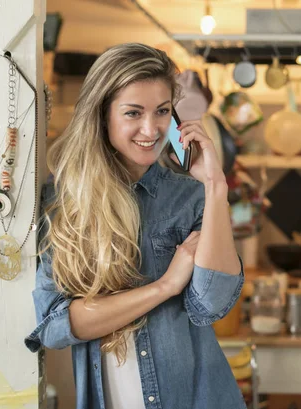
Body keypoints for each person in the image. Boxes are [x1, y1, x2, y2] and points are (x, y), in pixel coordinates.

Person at [24, 43, 245, 409]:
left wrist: (215, 185)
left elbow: (211, 304)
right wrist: (165, 286)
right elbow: (55, 326)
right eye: (133, 113)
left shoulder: (190, 198)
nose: (150, 128)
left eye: (161, 112)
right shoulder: (64, 199)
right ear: (103, 115)